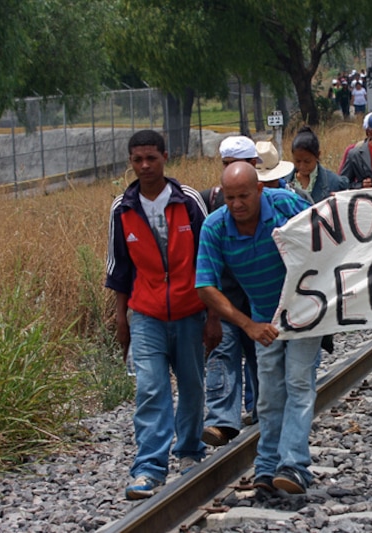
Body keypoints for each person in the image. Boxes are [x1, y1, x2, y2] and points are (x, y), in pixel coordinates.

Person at [196, 162, 320, 495]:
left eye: (244, 196)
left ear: (260, 190)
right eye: (230, 197)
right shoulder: (215, 226)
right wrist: (248, 325)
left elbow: (325, 232)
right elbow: (206, 285)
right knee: (269, 394)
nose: (237, 204)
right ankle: (266, 467)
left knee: (298, 382)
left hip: (306, 309)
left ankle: (293, 466)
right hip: (264, 316)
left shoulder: (286, 204)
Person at [105, 129, 210, 499]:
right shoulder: (123, 208)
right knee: (150, 388)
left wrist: (213, 316)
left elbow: (209, 261)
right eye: (138, 160)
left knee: (193, 386)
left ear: (166, 156)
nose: (145, 166)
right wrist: (122, 319)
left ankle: (190, 451)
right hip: (146, 313)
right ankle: (148, 467)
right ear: (130, 162)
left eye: (152, 157)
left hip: (189, 310)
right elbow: (119, 270)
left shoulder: (190, 202)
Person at [200, 137, 262, 447]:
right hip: (225, 299)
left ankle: (262, 410)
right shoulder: (208, 203)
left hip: (262, 297)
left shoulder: (276, 201)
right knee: (223, 353)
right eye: (226, 166)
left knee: (260, 355)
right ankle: (221, 420)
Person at [286, 126, 350, 203]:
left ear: (318, 155)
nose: (302, 166)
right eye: (297, 161)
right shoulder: (284, 182)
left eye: (307, 161)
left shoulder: (335, 183)